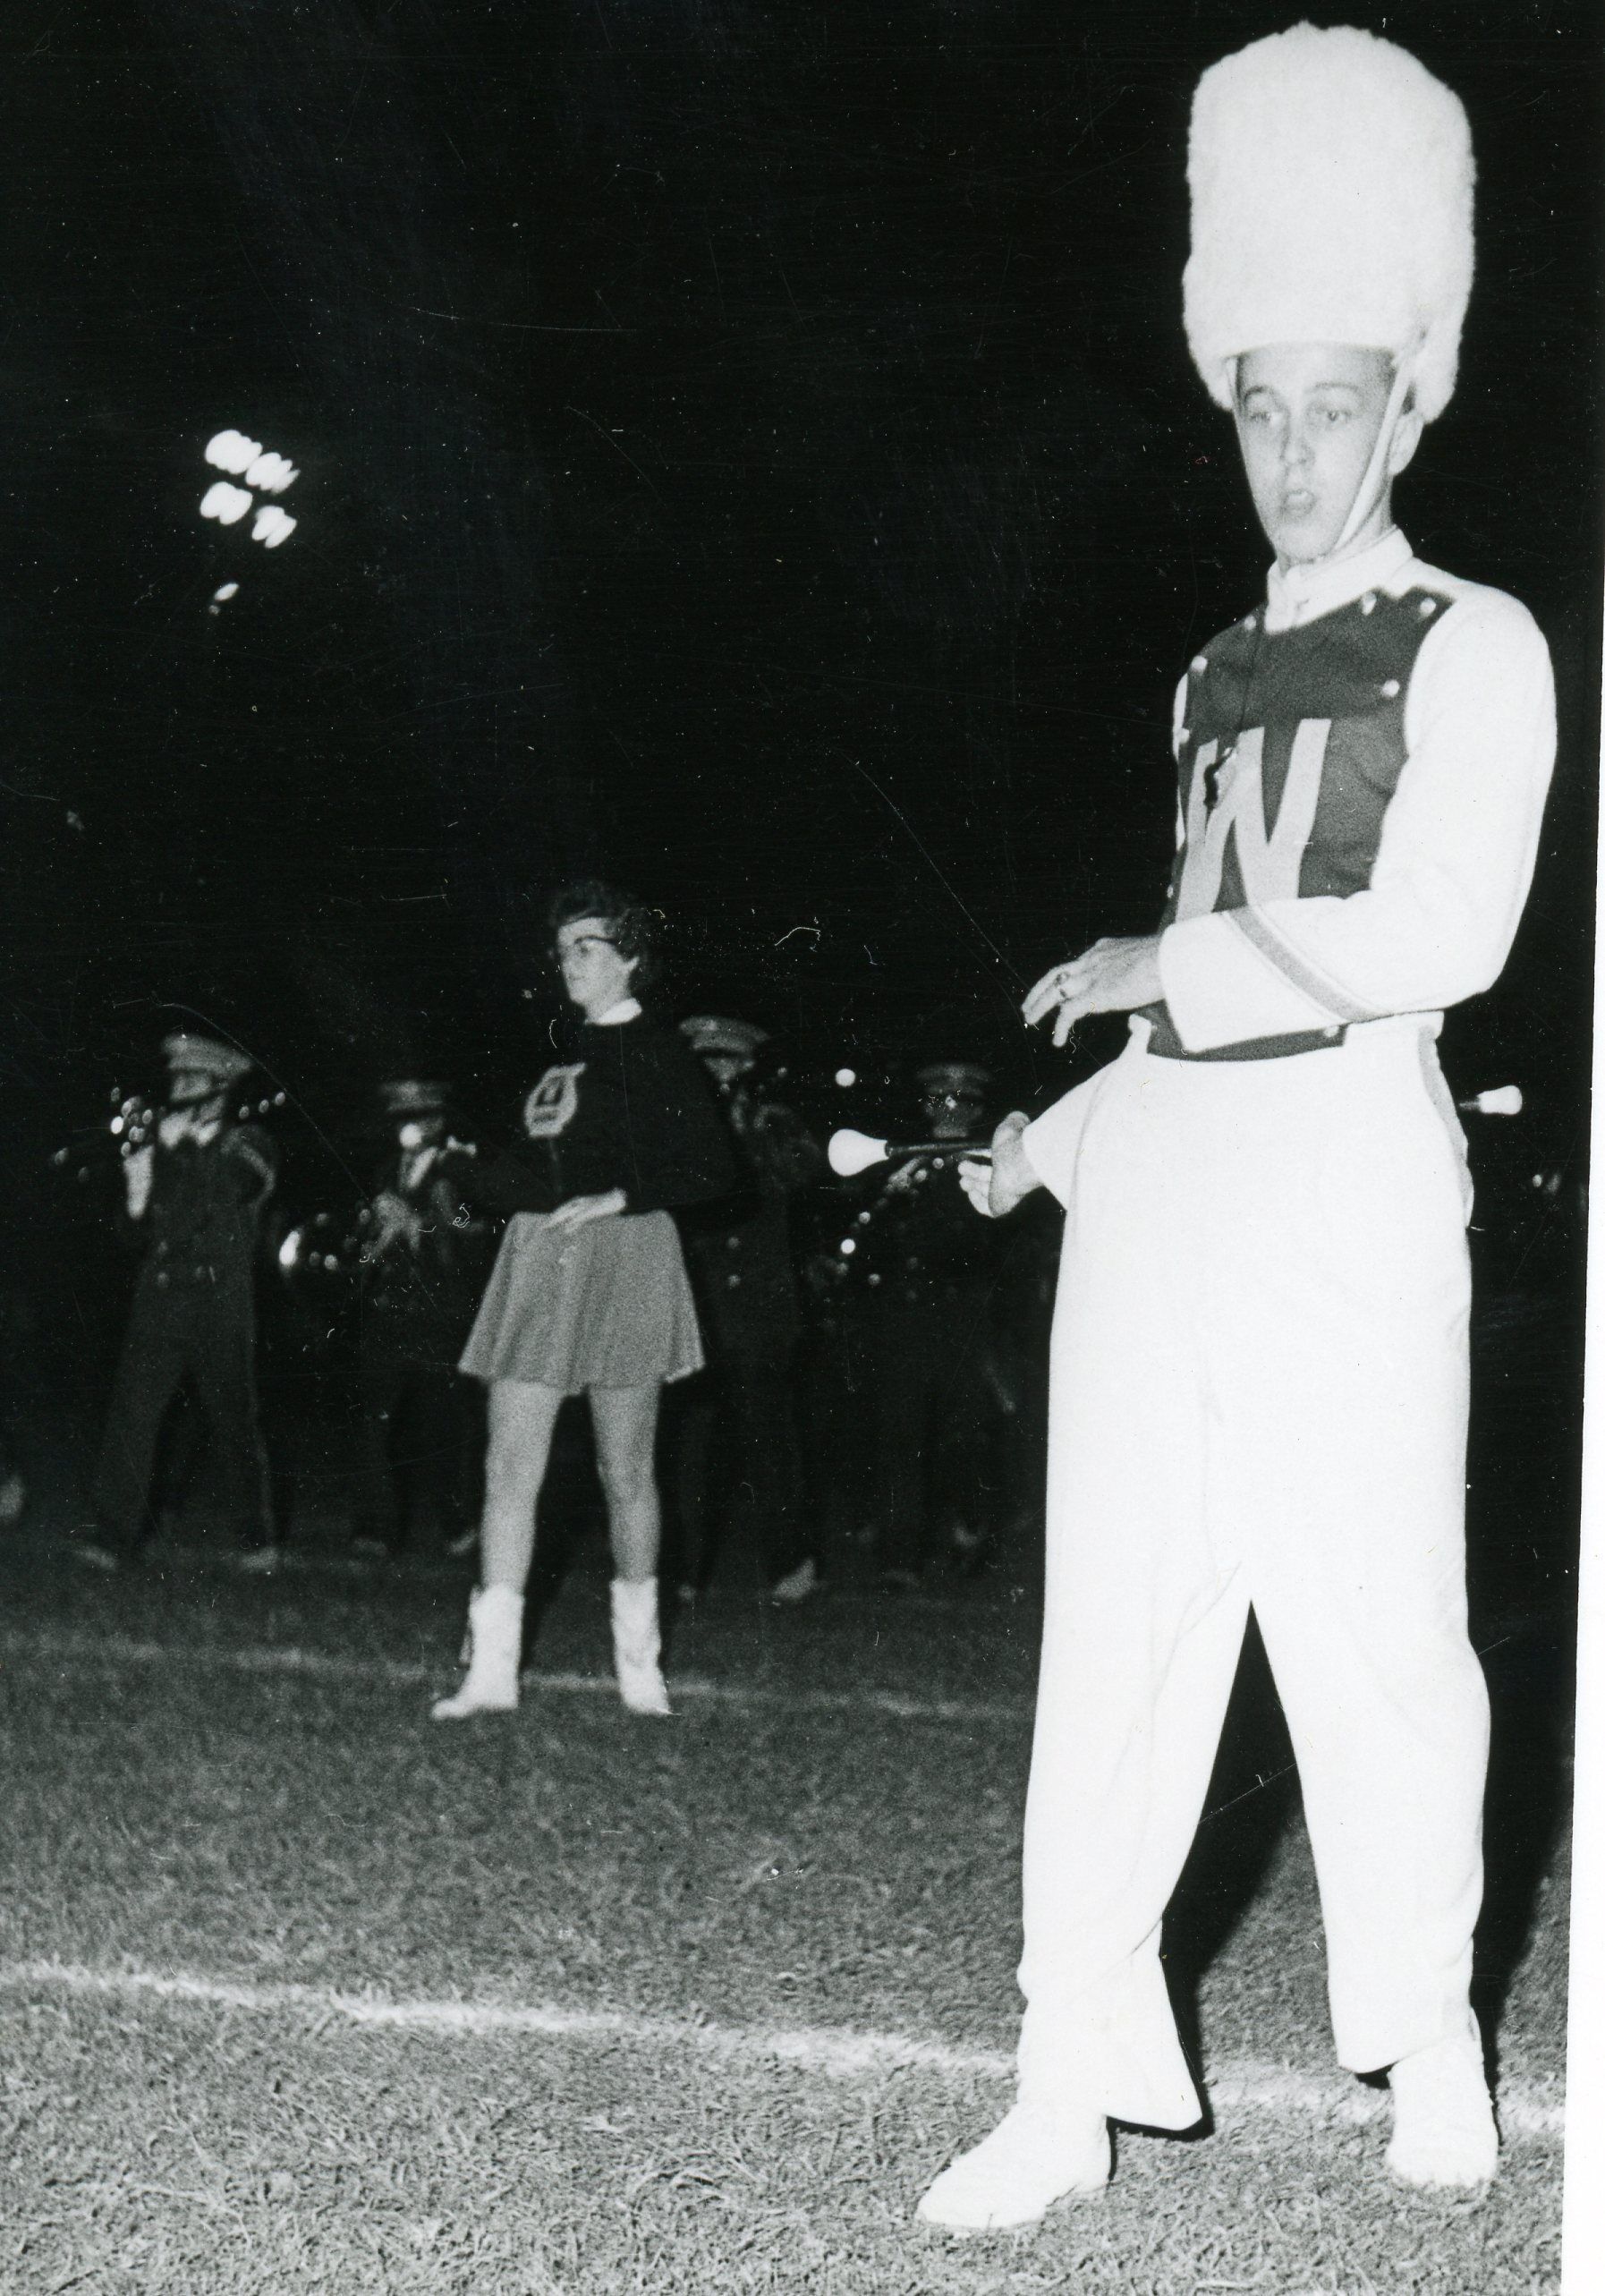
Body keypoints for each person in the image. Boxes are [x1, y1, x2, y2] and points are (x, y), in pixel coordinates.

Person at [918, 25, 1557, 2232]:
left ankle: (1427, 2038)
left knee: (1376, 1628)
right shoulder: (1202, 673)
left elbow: (1439, 931)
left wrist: (1156, 965)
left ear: (1409, 404)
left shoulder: (1480, 641)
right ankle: (1062, 2077)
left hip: (1353, 1187)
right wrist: (1052, 1142)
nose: (1295, 453)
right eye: (1262, 409)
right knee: (1114, 1634)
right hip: (1169, 1196)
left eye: (1335, 407)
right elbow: (1192, 1003)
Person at [431, 882, 735, 1720]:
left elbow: (713, 1168)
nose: (569, 963)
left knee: (625, 1469)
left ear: (630, 958)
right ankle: (491, 1674)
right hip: (540, 1257)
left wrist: (620, 1198)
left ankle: (640, 1666)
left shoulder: (660, 1051)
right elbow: (532, 1170)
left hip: (628, 1256)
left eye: (587, 948)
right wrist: (458, 1171)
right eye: (563, 950)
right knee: (509, 1465)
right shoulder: (556, 1052)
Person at [79, 1032, 279, 1572]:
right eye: (176, 1079)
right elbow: (138, 1237)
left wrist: (176, 1152)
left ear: (219, 1087)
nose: (177, 1089)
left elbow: (221, 1197)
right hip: (161, 1299)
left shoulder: (249, 1144)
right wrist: (137, 1188)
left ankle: (256, 1538)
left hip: (219, 1303)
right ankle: (112, 1538)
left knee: (233, 1421)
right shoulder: (166, 1146)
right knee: (132, 1416)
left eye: (191, 1079)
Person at [673, 1016, 821, 1603]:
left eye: (727, 1062)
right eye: (706, 1063)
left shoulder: (771, 1122)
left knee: (770, 1439)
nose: (718, 1074)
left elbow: (806, 1174)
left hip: (759, 1306)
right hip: (699, 1300)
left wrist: (760, 1134)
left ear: (745, 1067)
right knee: (690, 1441)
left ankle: (791, 1563)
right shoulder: (675, 1123)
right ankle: (684, 1570)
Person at [857, 1060, 1004, 1586]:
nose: (950, 1113)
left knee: (964, 1431)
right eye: (939, 1103)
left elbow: (999, 1243)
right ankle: (900, 1555)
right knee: (901, 1431)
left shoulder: (988, 1161)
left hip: (965, 1314)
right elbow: (871, 1239)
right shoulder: (906, 1164)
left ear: (977, 1110)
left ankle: (969, 1532)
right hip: (908, 1313)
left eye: (962, 1104)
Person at [349, 1079, 486, 1559]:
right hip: (389, 1310)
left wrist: (419, 1226)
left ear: (437, 1121)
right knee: (372, 1422)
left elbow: (473, 1232)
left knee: (443, 1424)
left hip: (438, 1315)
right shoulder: (387, 1170)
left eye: (417, 1118)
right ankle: (375, 1529)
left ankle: (457, 1525)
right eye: (399, 1119)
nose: (406, 1128)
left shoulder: (460, 1169)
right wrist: (372, 1240)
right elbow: (368, 1240)